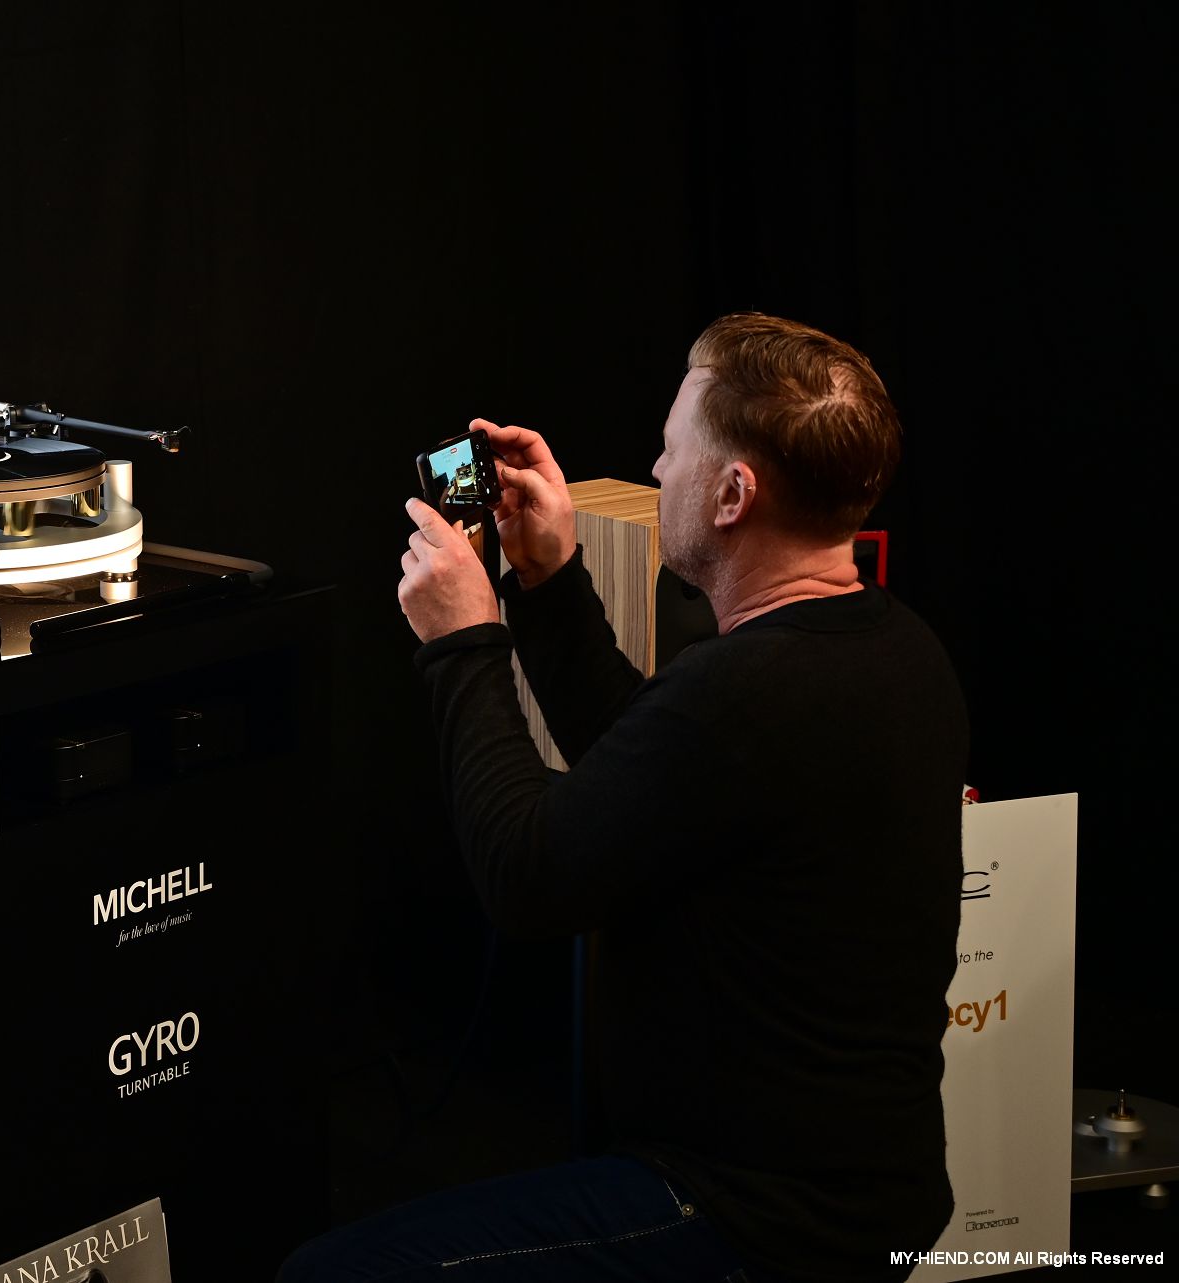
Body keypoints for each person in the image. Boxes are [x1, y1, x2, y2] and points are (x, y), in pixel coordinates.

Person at [281, 314, 967, 1283]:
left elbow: (525, 876)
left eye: (672, 448)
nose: (655, 468)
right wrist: (545, 575)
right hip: (865, 1191)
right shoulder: (898, 650)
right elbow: (644, 765)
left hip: (759, 1216)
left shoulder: (747, 690)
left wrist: (461, 641)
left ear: (732, 493)